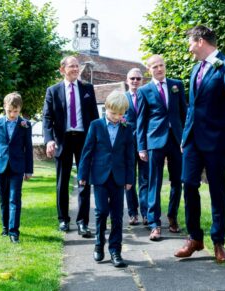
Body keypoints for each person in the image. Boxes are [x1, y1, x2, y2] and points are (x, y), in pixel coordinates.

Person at [174, 25, 225, 263]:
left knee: (217, 190)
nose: (188, 48)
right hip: (192, 142)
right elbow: (192, 108)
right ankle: (194, 238)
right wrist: (185, 137)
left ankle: (218, 242)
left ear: (200, 41)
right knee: (188, 185)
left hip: (217, 141)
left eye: (190, 42)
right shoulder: (195, 68)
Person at [43, 56, 99, 236]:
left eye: (77, 66)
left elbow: (95, 117)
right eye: (72, 66)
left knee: (84, 181)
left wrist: (98, 140)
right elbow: (47, 118)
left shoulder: (87, 89)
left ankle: (83, 222)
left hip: (84, 140)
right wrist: (49, 139)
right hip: (63, 140)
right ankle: (63, 220)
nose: (76, 69)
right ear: (62, 69)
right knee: (62, 182)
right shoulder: (53, 91)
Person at [78, 91, 135, 268]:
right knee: (101, 212)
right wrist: (82, 175)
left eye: (121, 114)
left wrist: (130, 177)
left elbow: (130, 155)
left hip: (119, 177)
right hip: (100, 176)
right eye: (114, 113)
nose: (118, 117)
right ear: (107, 109)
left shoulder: (127, 128)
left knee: (117, 215)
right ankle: (98, 243)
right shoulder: (95, 126)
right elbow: (87, 152)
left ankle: (115, 251)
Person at [137, 54, 187, 241]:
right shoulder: (144, 91)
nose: (159, 69)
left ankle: (172, 217)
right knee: (154, 183)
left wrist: (186, 138)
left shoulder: (177, 85)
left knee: (177, 181)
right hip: (154, 142)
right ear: (149, 70)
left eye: (161, 65)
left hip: (176, 141)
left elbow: (185, 113)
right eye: (155, 66)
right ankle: (154, 224)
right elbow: (141, 121)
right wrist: (141, 147)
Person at [0, 92, 33, 243]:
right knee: (3, 198)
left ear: (20, 109)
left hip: (18, 167)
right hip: (1, 166)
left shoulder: (25, 124)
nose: (13, 114)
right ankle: (5, 228)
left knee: (14, 198)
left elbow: (28, 148)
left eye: (16, 111)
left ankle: (14, 232)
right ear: (5, 107)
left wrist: (29, 169)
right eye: (10, 111)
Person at [124, 68, 149, 226]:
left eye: (138, 79)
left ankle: (146, 214)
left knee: (145, 180)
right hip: (127, 145)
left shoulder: (147, 97)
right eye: (132, 78)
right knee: (129, 180)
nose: (135, 81)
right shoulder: (122, 98)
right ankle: (133, 213)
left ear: (142, 81)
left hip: (145, 144)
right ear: (127, 80)